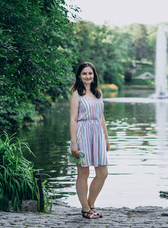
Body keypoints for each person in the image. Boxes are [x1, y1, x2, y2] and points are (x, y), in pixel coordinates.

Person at [69, 62, 109, 219]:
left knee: (103, 172)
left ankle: (91, 204)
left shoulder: (98, 93)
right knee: (83, 172)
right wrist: (74, 142)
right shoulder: (76, 95)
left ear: (94, 75)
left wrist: (106, 137)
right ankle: (85, 209)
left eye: (90, 73)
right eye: (84, 73)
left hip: (97, 135)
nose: (87, 76)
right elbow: (73, 119)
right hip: (82, 135)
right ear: (79, 76)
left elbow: (101, 117)